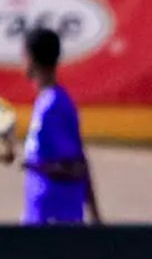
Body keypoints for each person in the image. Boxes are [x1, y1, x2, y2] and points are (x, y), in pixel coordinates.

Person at [18, 27, 100, 226]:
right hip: (41, 216)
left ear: (31, 58)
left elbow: (76, 166)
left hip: (56, 219)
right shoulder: (47, 101)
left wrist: (33, 165)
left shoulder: (53, 105)